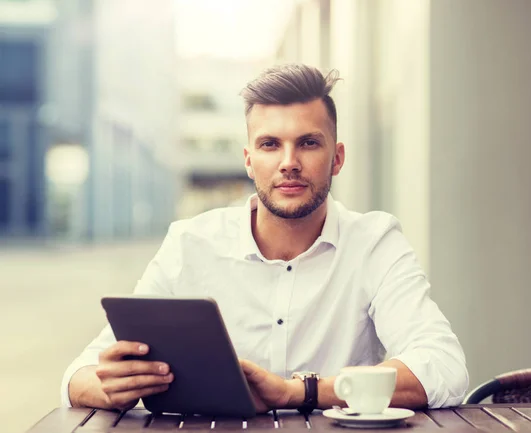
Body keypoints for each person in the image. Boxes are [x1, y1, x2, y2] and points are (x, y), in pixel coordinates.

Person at [62, 64, 468, 413]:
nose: (289, 163)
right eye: (270, 144)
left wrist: (301, 392)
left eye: (308, 143)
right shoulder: (190, 243)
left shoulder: (374, 242)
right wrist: (109, 388)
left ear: (337, 158)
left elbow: (443, 367)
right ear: (249, 161)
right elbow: (78, 376)